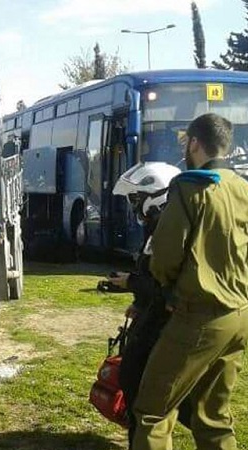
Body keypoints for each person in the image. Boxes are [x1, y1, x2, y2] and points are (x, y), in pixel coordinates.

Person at [133, 113, 248, 450]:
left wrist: (164, 286)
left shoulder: (191, 186)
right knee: (214, 415)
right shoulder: (242, 187)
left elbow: (166, 255)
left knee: (153, 410)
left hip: (199, 315)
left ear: (195, 143)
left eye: (186, 142)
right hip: (239, 314)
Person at [105, 162, 186, 447]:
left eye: (136, 198)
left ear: (155, 195)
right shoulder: (160, 225)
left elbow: (163, 284)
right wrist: (139, 303)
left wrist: (131, 283)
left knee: (141, 388)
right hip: (153, 317)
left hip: (163, 324)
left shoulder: (166, 228)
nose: (133, 205)